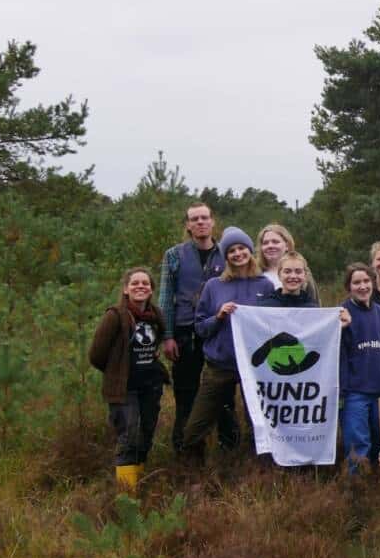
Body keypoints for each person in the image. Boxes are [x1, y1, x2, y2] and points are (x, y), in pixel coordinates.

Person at [181, 227, 276, 463]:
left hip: (255, 368)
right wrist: (219, 316)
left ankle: (263, 471)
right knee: (196, 426)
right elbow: (201, 327)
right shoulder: (214, 286)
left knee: (259, 422)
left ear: (249, 251)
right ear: (226, 257)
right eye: (231, 251)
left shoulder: (265, 285)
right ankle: (192, 472)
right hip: (219, 365)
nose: (237, 254)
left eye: (241, 248)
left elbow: (275, 325)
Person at [158, 202, 234, 454]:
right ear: (188, 225)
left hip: (219, 333)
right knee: (186, 395)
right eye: (194, 219)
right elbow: (166, 299)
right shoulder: (174, 255)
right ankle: (187, 453)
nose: (200, 222)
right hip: (184, 335)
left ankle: (228, 450)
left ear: (213, 222)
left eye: (204, 218)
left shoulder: (228, 254)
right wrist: (167, 336)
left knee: (224, 395)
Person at [88, 267, 170, 491]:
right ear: (126, 289)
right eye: (135, 283)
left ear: (152, 289)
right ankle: (126, 496)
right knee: (129, 437)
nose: (140, 286)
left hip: (150, 387)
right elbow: (96, 354)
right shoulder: (115, 316)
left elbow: (159, 337)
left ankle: (138, 485)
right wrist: (117, 370)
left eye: (145, 283)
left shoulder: (155, 315)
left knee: (145, 436)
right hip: (125, 389)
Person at [339, 262, 380, 475]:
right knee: (358, 445)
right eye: (356, 283)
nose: (362, 286)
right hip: (355, 393)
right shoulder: (343, 314)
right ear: (349, 287)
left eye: (366, 281)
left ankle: (379, 490)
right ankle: (357, 491)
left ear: (372, 283)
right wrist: (343, 391)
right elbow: (339, 357)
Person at [255, 224, 320, 304]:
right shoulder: (254, 274)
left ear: (287, 245)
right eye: (265, 243)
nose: (270, 246)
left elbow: (315, 305)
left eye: (275, 242)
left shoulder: (303, 273)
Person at [255, 251, 322, 309]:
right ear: (279, 275)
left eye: (298, 272)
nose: (293, 276)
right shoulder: (266, 307)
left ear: (305, 276)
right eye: (287, 271)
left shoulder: (313, 309)